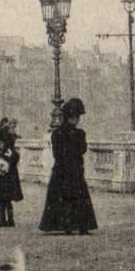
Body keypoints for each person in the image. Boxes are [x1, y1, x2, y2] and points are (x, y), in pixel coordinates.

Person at [39, 97, 97, 236]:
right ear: (71, 117)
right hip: (71, 170)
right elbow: (79, 150)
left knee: (66, 199)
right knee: (77, 198)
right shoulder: (77, 134)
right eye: (75, 117)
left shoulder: (58, 133)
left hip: (64, 170)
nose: (77, 120)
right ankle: (79, 226)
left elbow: (60, 153)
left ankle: (69, 226)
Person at [0, 129, 23, 228]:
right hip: (5, 179)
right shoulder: (9, 152)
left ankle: (6, 220)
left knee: (5, 200)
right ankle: (6, 220)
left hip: (5, 179)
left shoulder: (7, 152)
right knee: (4, 200)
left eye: (0, 143)